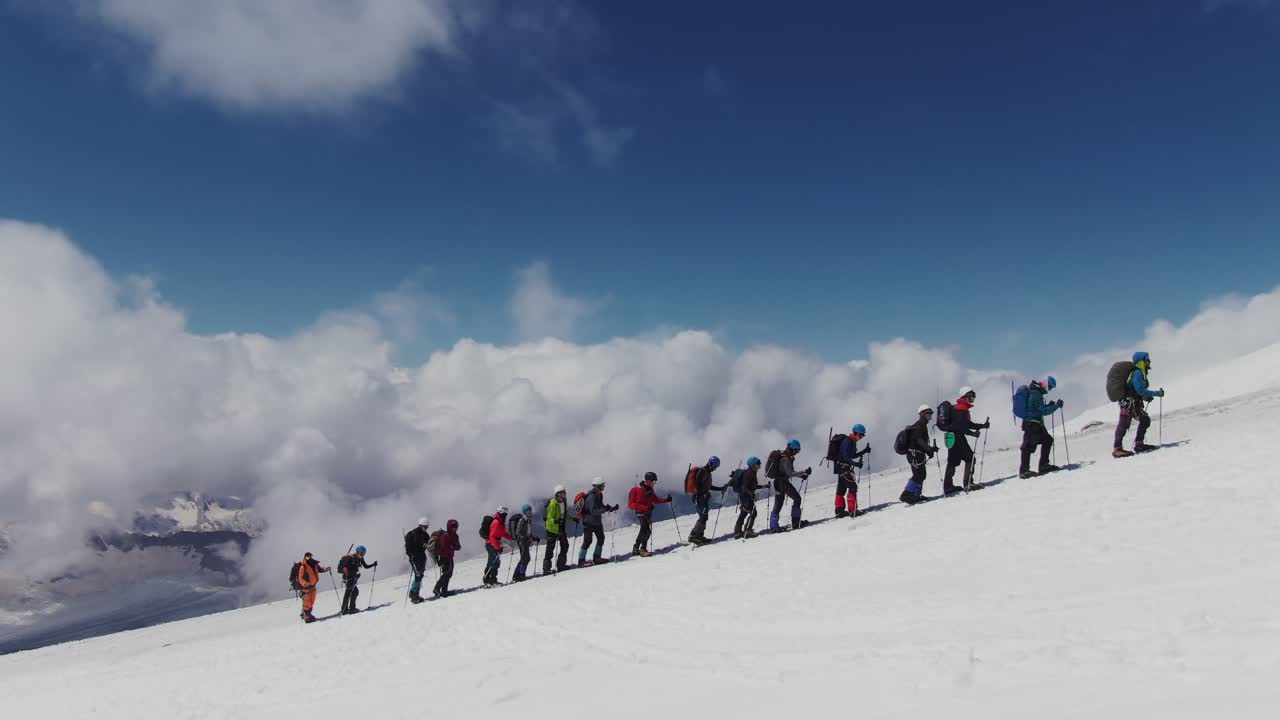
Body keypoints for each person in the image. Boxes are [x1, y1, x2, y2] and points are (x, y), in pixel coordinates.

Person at [1114, 351, 1164, 458]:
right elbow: (1140, 390)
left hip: (1131, 402)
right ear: (1142, 361)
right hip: (1129, 403)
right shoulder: (1137, 373)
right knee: (1123, 424)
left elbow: (1137, 390)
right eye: (1147, 360)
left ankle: (1139, 444)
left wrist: (1146, 397)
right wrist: (1156, 394)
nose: (1149, 362)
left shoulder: (1140, 372)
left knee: (1144, 420)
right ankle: (1118, 449)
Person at [944, 388, 990, 495]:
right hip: (958, 438)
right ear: (967, 395)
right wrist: (973, 434)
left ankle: (947, 487)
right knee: (970, 458)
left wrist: (982, 426)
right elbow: (962, 427)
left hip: (951, 437)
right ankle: (968, 483)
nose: (974, 397)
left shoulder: (956, 408)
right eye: (972, 395)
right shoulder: (962, 409)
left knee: (952, 462)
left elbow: (966, 424)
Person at [1018, 377, 1062, 479]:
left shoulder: (1035, 392)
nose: (1049, 389)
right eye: (1050, 387)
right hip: (1032, 424)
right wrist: (1056, 406)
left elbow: (1039, 408)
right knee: (1027, 446)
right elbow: (1043, 411)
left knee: (1047, 439)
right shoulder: (1036, 394)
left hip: (1035, 424)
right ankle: (1024, 471)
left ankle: (1043, 465)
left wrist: (1050, 406)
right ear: (1045, 384)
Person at [769, 439, 812, 532]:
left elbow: (788, 472)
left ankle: (774, 526)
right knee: (796, 499)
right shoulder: (785, 459)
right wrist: (804, 472)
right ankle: (795, 523)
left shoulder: (784, 456)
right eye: (796, 450)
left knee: (779, 503)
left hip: (779, 482)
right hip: (782, 483)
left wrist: (802, 476)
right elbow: (790, 473)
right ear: (792, 448)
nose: (796, 453)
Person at [899, 406, 937, 505]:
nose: (930, 415)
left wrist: (929, 451)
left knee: (921, 474)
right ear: (922, 414)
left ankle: (916, 495)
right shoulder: (919, 425)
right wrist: (929, 449)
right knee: (918, 474)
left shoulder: (922, 425)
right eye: (928, 413)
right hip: (914, 455)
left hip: (915, 454)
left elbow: (919, 441)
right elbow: (918, 440)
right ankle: (906, 494)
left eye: (931, 412)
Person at [628, 472, 672, 556]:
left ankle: (636, 548)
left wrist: (666, 500)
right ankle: (642, 550)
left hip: (647, 513)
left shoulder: (650, 490)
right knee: (646, 530)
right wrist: (645, 508)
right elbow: (631, 505)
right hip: (640, 513)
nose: (654, 483)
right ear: (648, 481)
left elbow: (655, 500)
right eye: (653, 481)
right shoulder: (638, 490)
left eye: (655, 481)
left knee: (644, 530)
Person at [578, 478, 619, 566]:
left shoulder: (599, 494)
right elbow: (593, 511)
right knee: (588, 541)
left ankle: (597, 558)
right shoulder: (591, 496)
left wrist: (611, 508)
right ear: (598, 486)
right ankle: (581, 561)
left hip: (596, 521)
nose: (603, 486)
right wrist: (604, 509)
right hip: (588, 522)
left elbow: (600, 506)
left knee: (601, 538)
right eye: (602, 485)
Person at [688, 456, 727, 545]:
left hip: (703, 497)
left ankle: (699, 536)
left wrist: (720, 488)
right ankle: (693, 536)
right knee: (703, 516)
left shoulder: (707, 472)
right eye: (715, 466)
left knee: (704, 516)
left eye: (716, 467)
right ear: (711, 464)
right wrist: (702, 493)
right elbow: (697, 484)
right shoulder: (703, 471)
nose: (715, 468)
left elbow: (708, 486)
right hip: (700, 497)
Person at [834, 424, 871, 517]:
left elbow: (852, 455)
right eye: (860, 435)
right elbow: (846, 457)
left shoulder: (852, 442)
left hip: (841, 468)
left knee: (841, 489)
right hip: (844, 468)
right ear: (855, 433)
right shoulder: (848, 441)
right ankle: (852, 510)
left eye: (863, 436)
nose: (861, 437)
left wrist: (864, 451)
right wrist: (856, 464)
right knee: (853, 487)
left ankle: (839, 511)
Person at [337, 545, 377, 615]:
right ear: (357, 552)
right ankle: (351, 609)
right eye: (362, 553)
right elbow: (343, 568)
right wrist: (348, 573)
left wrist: (373, 564)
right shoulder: (350, 558)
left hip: (352, 578)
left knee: (350, 592)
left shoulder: (360, 558)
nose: (362, 555)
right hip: (348, 578)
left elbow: (365, 566)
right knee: (353, 592)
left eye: (364, 553)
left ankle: (345, 609)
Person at [295, 552, 330, 623]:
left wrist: (326, 569)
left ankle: (306, 614)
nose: (309, 558)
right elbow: (300, 578)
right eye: (307, 557)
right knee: (308, 602)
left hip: (312, 586)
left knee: (311, 601)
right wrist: (304, 583)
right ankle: (307, 617)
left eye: (310, 556)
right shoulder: (303, 566)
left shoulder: (314, 564)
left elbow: (320, 570)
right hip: (306, 587)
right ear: (305, 557)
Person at [508, 505, 540, 582]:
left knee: (525, 558)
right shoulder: (522, 520)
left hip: (525, 541)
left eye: (530, 511)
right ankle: (521, 575)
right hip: (522, 542)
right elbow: (518, 532)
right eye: (528, 511)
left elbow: (528, 533)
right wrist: (524, 538)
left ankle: (517, 575)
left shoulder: (528, 520)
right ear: (525, 512)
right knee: (525, 558)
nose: (530, 513)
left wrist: (534, 537)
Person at [734, 456, 764, 539]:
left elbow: (752, 486)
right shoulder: (749, 473)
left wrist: (763, 486)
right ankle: (748, 530)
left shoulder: (751, 472)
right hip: (746, 496)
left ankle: (737, 531)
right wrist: (752, 495)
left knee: (743, 513)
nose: (760, 464)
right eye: (758, 463)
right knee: (753, 513)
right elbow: (745, 487)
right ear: (753, 465)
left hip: (745, 495)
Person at [402, 517, 431, 604]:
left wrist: (426, 545)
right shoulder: (412, 534)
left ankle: (414, 593)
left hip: (421, 557)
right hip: (415, 558)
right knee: (418, 575)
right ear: (420, 525)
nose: (426, 529)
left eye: (427, 527)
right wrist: (411, 556)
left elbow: (428, 542)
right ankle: (414, 594)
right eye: (425, 527)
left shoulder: (425, 535)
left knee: (420, 574)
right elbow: (408, 548)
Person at [543, 485, 570, 574]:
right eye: (563, 492)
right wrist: (555, 521)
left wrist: (573, 519)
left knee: (565, 545)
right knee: (550, 549)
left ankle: (560, 565)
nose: (565, 494)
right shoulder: (553, 504)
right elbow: (548, 519)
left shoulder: (564, 502)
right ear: (558, 494)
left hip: (560, 527)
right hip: (551, 529)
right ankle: (546, 569)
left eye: (564, 492)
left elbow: (565, 515)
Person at [483, 506, 512, 587]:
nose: (505, 515)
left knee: (491, 561)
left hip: (492, 544)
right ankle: (492, 581)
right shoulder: (496, 522)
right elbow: (492, 536)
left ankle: (487, 579)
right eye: (504, 514)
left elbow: (502, 533)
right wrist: (497, 548)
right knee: (495, 562)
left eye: (506, 514)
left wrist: (511, 537)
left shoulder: (500, 522)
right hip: (492, 544)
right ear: (500, 513)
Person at [432, 519, 460, 598]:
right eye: (453, 526)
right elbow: (444, 547)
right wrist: (453, 547)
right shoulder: (445, 535)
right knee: (446, 574)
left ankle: (444, 591)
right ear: (449, 526)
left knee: (448, 574)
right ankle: (437, 588)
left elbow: (458, 547)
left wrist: (453, 546)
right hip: (444, 557)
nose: (455, 528)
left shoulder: (455, 535)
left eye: (456, 526)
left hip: (450, 557)